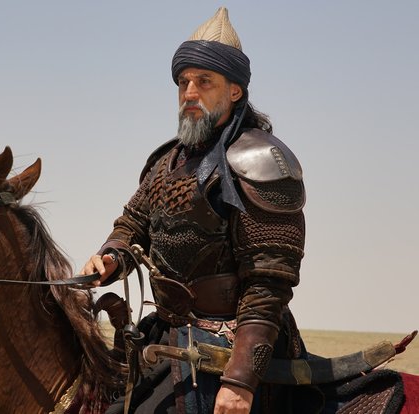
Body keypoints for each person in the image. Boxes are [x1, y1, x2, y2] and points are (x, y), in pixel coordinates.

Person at [83, 7, 308, 413]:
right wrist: (112, 256)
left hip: (231, 348)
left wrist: (240, 381)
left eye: (204, 81)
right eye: (183, 82)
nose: (189, 92)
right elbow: (133, 223)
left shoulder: (261, 161)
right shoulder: (167, 161)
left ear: (235, 90)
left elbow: (268, 285)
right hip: (168, 337)